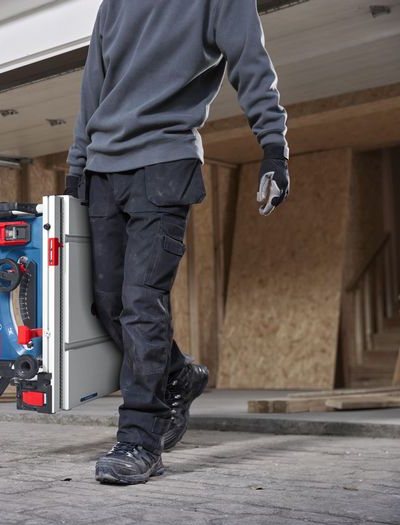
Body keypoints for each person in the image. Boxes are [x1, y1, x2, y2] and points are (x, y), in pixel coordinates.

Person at [65, 0, 291, 485]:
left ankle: (139, 440)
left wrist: (274, 148)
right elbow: (93, 80)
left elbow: (252, 63)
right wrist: (77, 163)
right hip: (105, 167)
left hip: (165, 164)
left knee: (142, 303)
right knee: (109, 307)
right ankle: (180, 376)